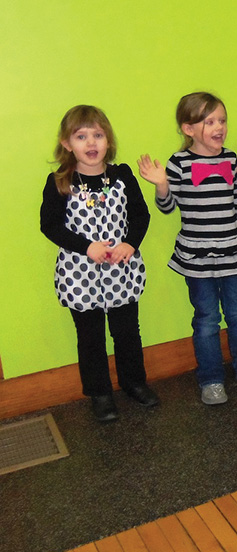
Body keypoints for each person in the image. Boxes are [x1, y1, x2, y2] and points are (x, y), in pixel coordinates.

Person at [137, 92, 237, 405]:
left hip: (233, 253)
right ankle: (210, 379)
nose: (218, 126)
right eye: (209, 121)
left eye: (221, 120)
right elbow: (167, 207)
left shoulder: (231, 159)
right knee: (207, 319)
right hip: (196, 256)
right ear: (189, 129)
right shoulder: (179, 162)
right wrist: (161, 184)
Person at [40, 105, 159, 422]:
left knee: (127, 332)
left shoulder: (121, 176)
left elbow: (140, 215)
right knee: (90, 337)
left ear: (108, 140)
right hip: (81, 273)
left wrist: (130, 243)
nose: (91, 143)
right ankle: (100, 394)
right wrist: (86, 246)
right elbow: (50, 225)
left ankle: (134, 383)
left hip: (121, 269)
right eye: (81, 136)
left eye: (97, 135)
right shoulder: (60, 181)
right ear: (67, 143)